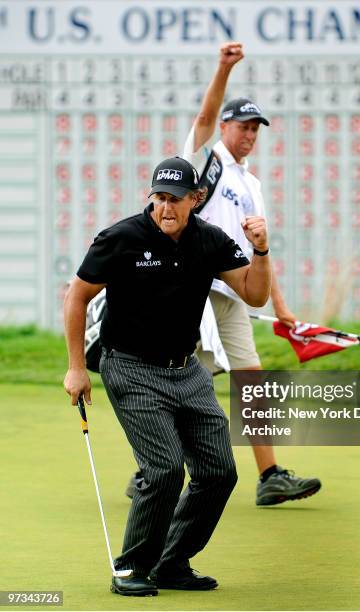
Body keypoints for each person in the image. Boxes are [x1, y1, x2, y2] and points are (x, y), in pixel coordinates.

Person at [63, 156, 272, 596]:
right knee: (163, 469)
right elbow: (76, 297)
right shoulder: (121, 238)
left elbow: (255, 292)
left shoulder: (209, 240)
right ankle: (132, 566)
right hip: (131, 369)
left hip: (186, 370)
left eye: (175, 199)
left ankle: (172, 562)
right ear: (151, 198)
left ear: (196, 200)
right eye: (159, 198)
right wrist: (76, 368)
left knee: (219, 471)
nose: (166, 208)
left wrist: (261, 250)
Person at [186, 42, 321, 506]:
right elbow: (204, 119)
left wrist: (282, 311)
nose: (249, 134)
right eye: (242, 126)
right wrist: (223, 68)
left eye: (254, 129)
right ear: (226, 127)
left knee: (251, 378)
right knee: (187, 382)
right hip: (192, 293)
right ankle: (151, 469)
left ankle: (270, 476)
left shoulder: (251, 182)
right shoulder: (208, 160)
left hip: (234, 292)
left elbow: (258, 251)